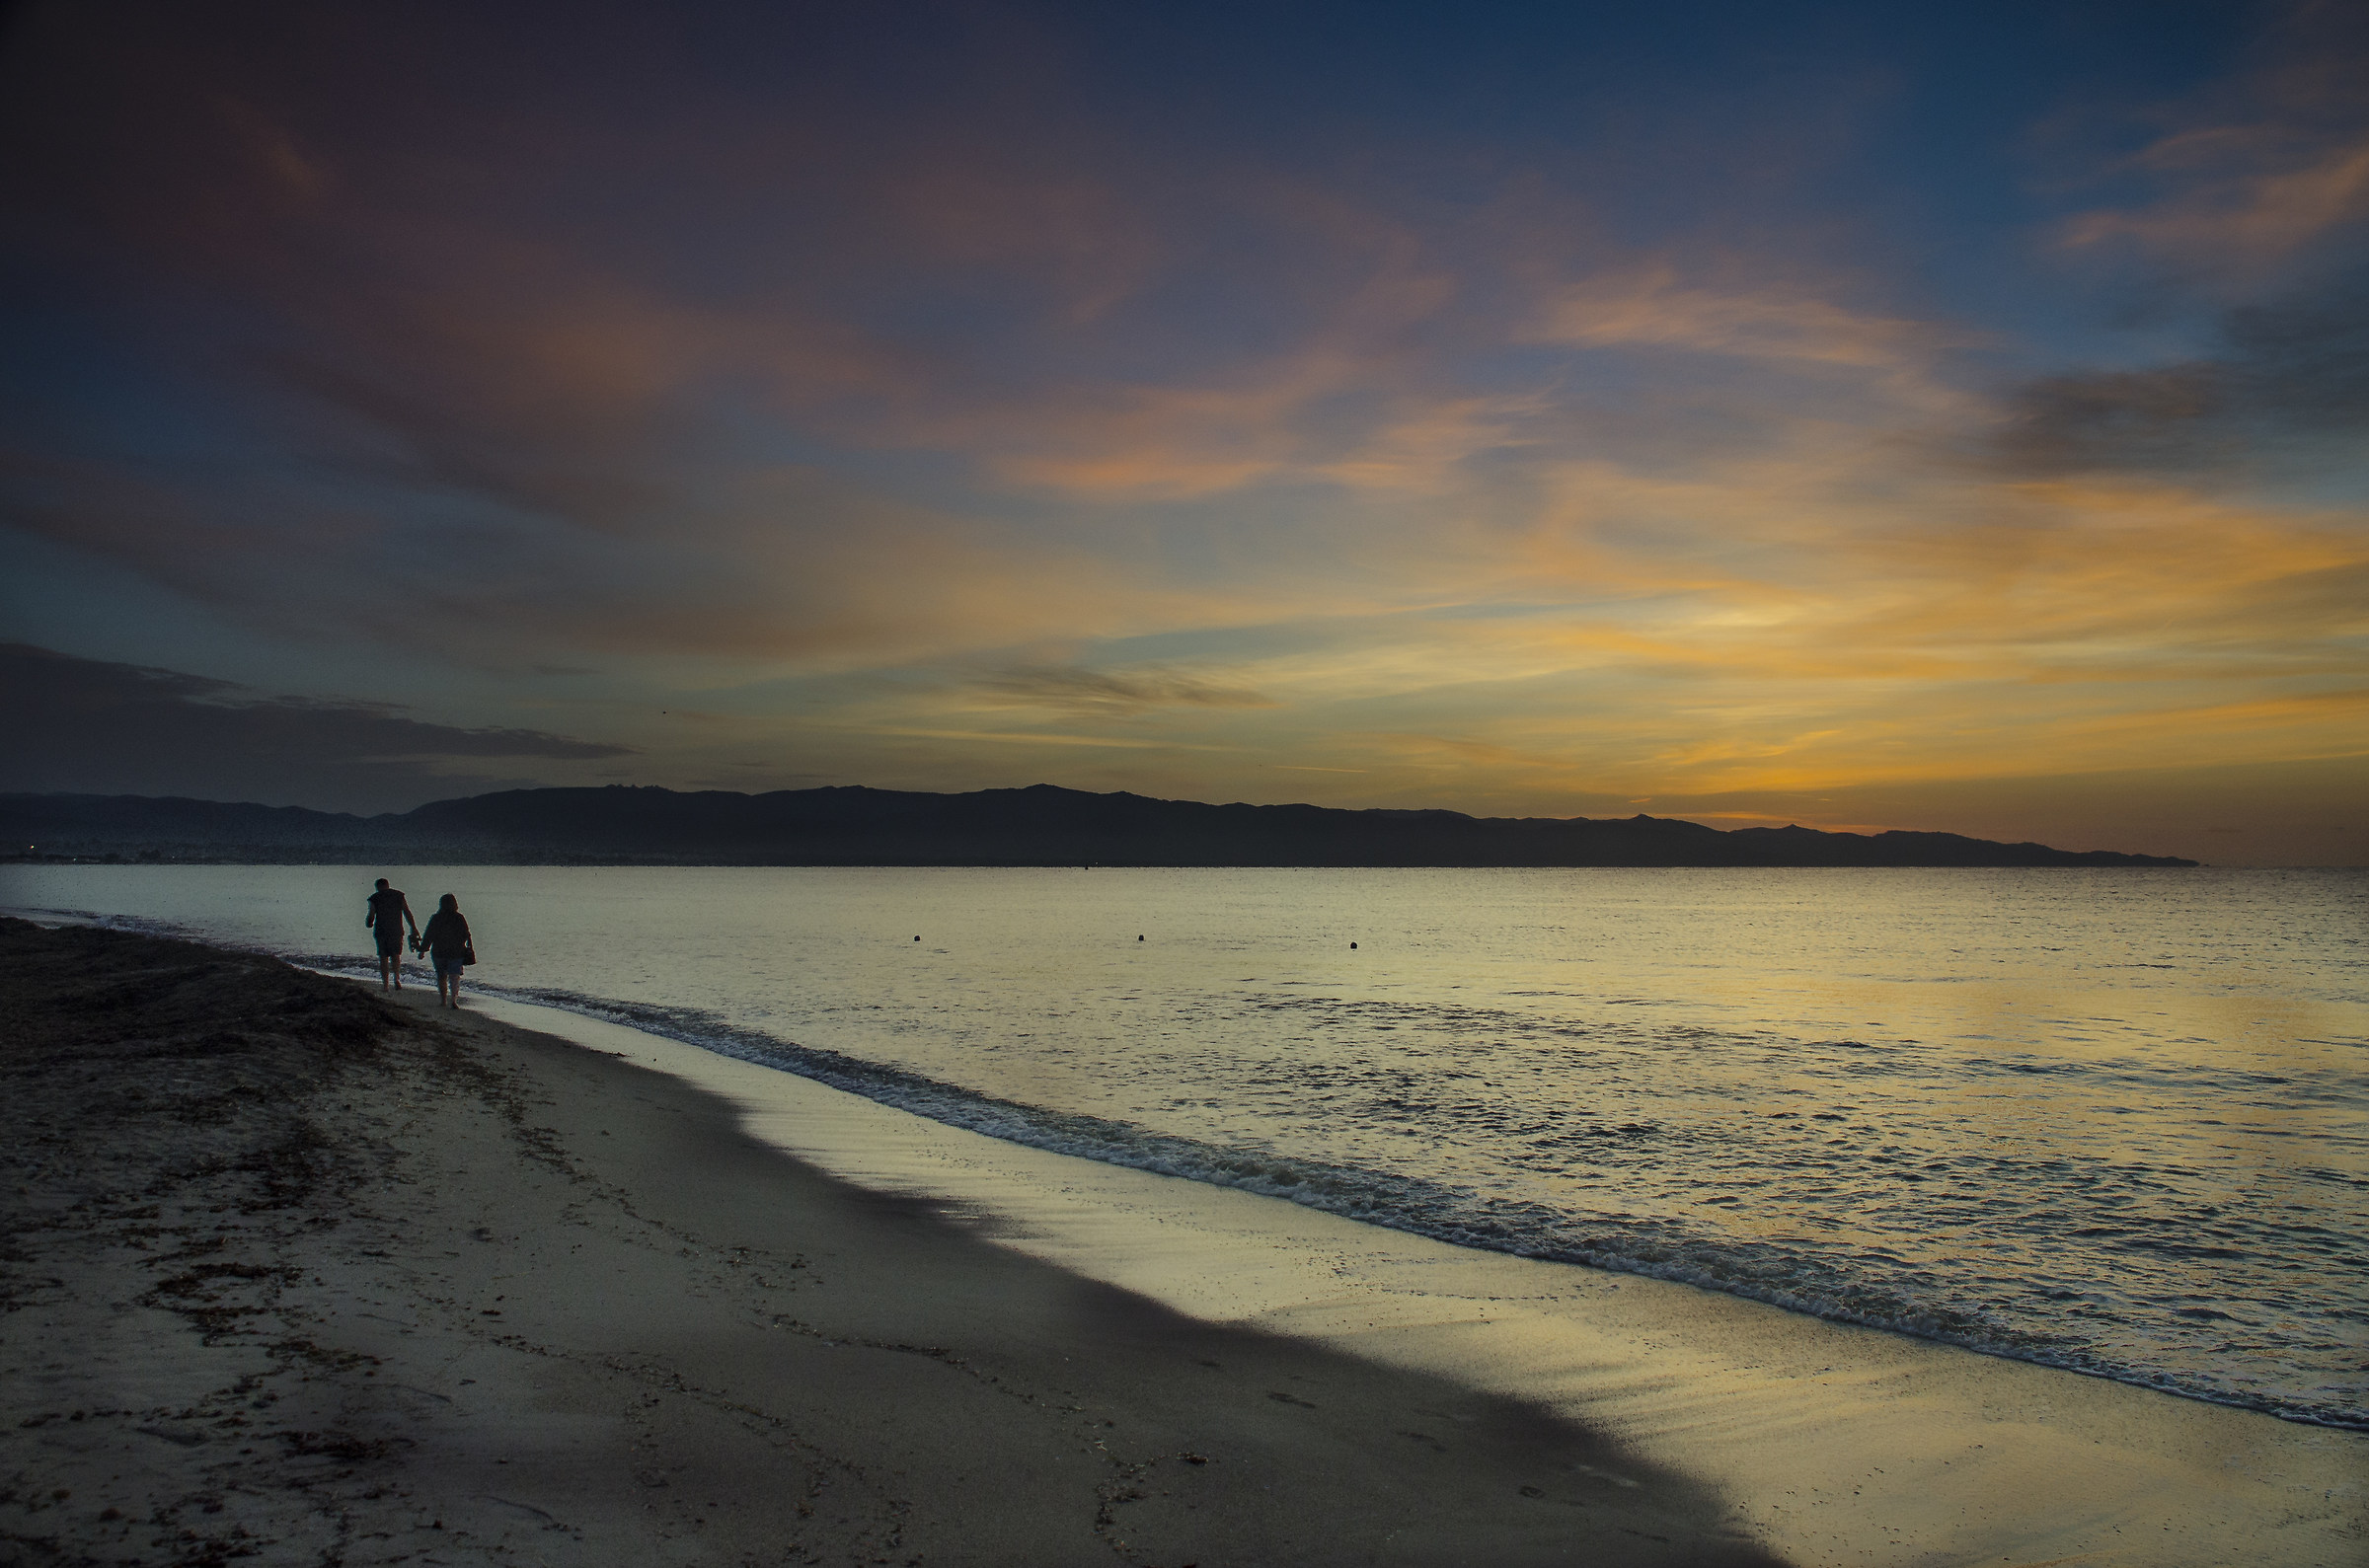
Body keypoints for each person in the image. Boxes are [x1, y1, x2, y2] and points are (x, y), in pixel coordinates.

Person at [420, 893, 476, 1009]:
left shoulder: (436, 918)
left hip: (438, 952)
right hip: (455, 952)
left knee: (441, 976)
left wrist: (423, 950)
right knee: (454, 977)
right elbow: (466, 934)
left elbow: (429, 935)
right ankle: (454, 1000)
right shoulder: (459, 918)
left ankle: (443, 1000)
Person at [363, 878, 419, 991]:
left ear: (378, 887)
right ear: (387, 885)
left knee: (383, 957)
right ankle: (397, 979)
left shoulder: (375, 898)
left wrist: (369, 923)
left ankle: (386, 984)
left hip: (381, 931)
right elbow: (406, 911)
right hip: (396, 930)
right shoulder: (399, 895)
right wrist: (413, 927)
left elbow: (371, 914)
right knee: (396, 955)